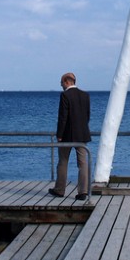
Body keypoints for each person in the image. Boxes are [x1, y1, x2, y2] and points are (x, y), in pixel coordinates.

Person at [48, 72, 91, 200]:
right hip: (82, 134)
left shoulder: (65, 95)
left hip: (67, 135)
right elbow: (87, 115)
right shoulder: (85, 95)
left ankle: (60, 190)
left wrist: (59, 134)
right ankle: (83, 192)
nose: (61, 85)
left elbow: (63, 117)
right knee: (83, 163)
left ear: (67, 82)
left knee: (63, 162)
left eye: (61, 83)